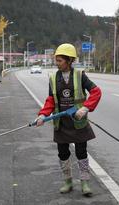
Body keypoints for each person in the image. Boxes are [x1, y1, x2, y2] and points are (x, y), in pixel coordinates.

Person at [35, 43, 101, 196]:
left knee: (81, 152)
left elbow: (96, 92)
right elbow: (51, 100)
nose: (56, 63)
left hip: (78, 122)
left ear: (69, 61)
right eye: (56, 60)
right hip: (61, 123)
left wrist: (85, 108)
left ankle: (84, 182)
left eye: (60, 60)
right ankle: (68, 181)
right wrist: (42, 115)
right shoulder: (53, 78)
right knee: (63, 153)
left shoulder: (80, 76)